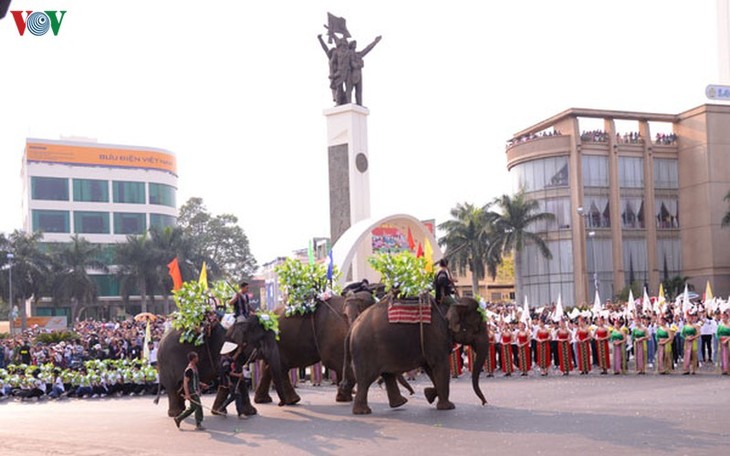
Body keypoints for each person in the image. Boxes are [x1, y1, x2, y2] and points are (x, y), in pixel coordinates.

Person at [174, 352, 208, 431]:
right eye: (196, 357)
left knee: (193, 408)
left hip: (196, 390)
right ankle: (198, 423)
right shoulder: (189, 370)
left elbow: (194, 379)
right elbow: (185, 383)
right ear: (193, 359)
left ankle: (178, 419)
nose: (198, 358)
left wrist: (202, 384)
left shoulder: (194, 367)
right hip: (192, 391)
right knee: (198, 406)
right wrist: (187, 394)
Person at [717, 311, 730, 375]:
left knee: (728, 355)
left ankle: (728, 369)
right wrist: (720, 338)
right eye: (723, 317)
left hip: (728, 341)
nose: (723, 318)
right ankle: (724, 369)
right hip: (722, 341)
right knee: (723, 355)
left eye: (725, 317)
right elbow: (717, 334)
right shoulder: (720, 325)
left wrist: (727, 339)